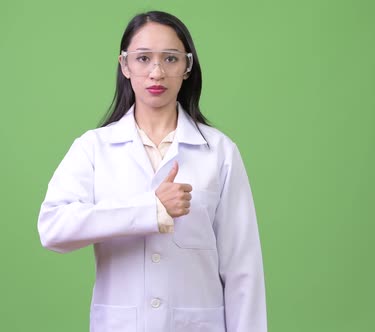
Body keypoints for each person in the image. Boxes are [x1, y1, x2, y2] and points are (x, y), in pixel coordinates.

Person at [37, 10, 267, 332]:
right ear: (125, 65)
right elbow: (53, 228)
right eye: (143, 58)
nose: (156, 72)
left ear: (187, 67)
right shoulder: (94, 147)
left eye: (170, 59)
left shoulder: (219, 151)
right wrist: (150, 210)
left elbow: (243, 267)